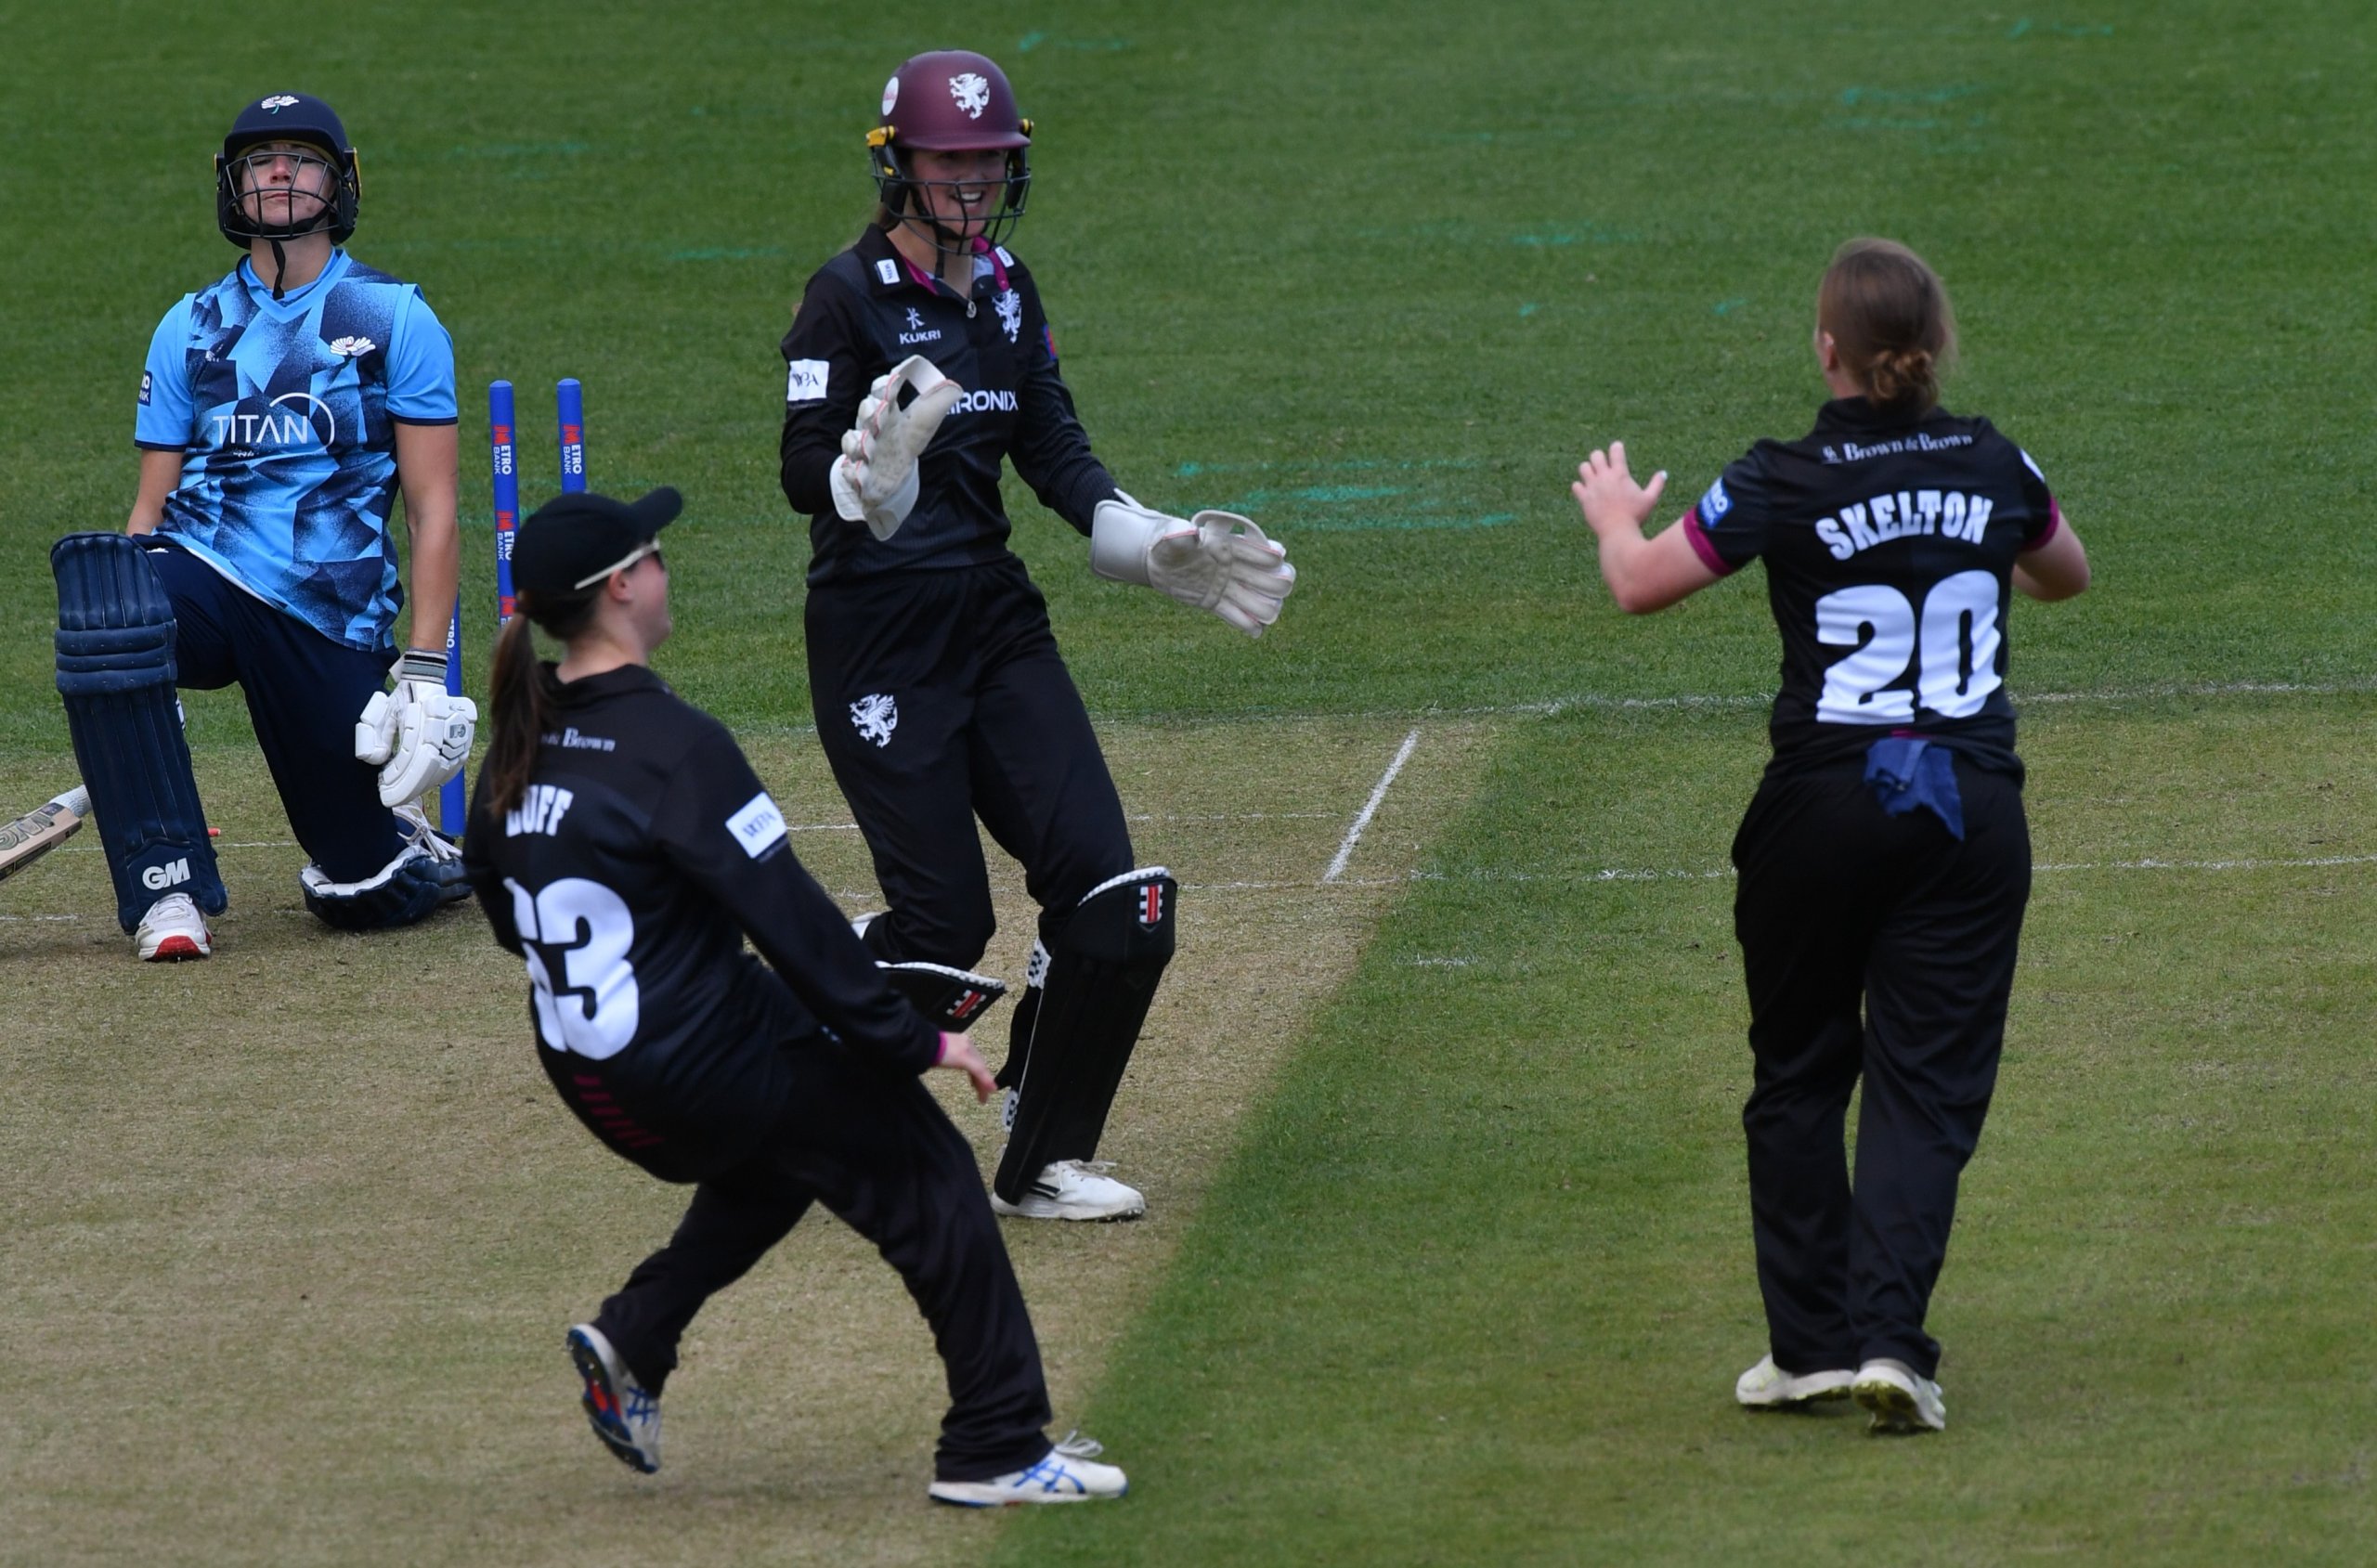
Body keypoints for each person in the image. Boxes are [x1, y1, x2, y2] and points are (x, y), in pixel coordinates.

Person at [461, 486, 1128, 1505]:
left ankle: (637, 1333)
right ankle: (994, 1446)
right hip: (705, 1059)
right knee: (932, 1176)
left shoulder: (516, 743)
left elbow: (503, 907)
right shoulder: (676, 746)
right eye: (656, 555)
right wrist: (913, 1040)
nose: (666, 570)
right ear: (623, 587)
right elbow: (796, 923)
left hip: (596, 1079)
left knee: (780, 1160)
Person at [1569, 239, 2091, 1434]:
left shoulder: (1781, 474)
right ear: (1935, 347)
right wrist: (1963, 542)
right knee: (1924, 1092)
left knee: (1799, 1073)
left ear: (1826, 352)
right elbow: (2063, 573)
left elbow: (1639, 583)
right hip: (1965, 811)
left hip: (1818, 811)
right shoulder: (1995, 460)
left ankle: (1808, 1349)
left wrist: (1612, 516)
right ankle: (1892, 1347)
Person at [776, 49, 1301, 1221]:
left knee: (1117, 906)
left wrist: (1146, 538)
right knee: (944, 927)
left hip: (996, 622)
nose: (972, 182)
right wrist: (863, 479)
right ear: (897, 166)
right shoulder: (843, 296)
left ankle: (1043, 1152)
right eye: (949, 160)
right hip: (877, 634)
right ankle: (808, 1047)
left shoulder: (1009, 289)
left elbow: (1052, 445)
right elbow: (799, 464)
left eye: (989, 161)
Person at [52, 89, 474, 961]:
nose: (280, 173)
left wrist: (426, 673)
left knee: (364, 892)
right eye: (260, 161)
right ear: (231, 186)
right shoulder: (189, 325)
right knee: (109, 601)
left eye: (302, 159)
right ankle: (167, 891)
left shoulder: (396, 317)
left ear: (340, 182)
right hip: (200, 573)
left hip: (327, 613)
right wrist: (122, 643)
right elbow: (149, 508)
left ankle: (403, 847)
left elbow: (433, 507)